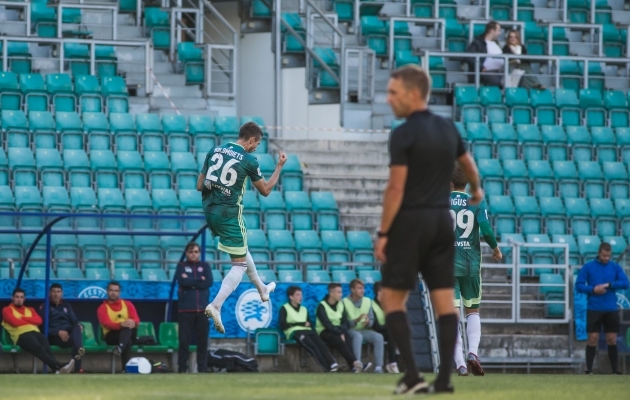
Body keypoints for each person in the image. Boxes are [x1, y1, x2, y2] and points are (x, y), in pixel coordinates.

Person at [375, 64, 483, 394]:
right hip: (440, 225)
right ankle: (446, 381)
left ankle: (412, 377)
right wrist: (476, 190)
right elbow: (468, 167)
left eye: (393, 92)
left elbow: (395, 189)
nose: (388, 99)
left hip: (411, 223)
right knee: (445, 304)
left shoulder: (403, 133)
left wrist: (383, 233)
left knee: (391, 299)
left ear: (412, 93)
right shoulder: (448, 127)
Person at [200, 122, 286, 333]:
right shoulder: (249, 159)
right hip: (230, 215)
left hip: (210, 212)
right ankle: (216, 305)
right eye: (256, 143)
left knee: (242, 250)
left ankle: (262, 289)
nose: (256, 147)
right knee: (238, 266)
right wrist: (279, 167)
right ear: (250, 140)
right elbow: (265, 190)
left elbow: (199, 186)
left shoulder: (214, 150)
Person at [450, 167, 502, 377]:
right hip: (471, 264)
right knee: (473, 311)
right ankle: (473, 353)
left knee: (451, 317)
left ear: (450, 184)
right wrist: (496, 249)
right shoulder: (477, 202)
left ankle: (461, 364)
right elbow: (486, 229)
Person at [576, 243, 629, 375]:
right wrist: (592, 289)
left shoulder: (615, 267)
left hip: (611, 308)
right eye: (604, 255)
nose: (606, 258)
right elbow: (579, 285)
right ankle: (588, 369)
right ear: (599, 253)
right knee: (593, 338)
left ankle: (615, 370)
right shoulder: (588, 267)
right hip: (594, 307)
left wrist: (610, 284)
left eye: (608, 256)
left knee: (611, 338)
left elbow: (626, 283)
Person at [1, 288, 75, 374]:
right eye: (17, 297)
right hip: (20, 335)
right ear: (12, 298)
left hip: (35, 332)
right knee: (38, 347)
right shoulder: (7, 310)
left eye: (21, 297)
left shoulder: (30, 309)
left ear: (24, 299)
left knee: (46, 346)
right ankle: (58, 365)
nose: (19, 299)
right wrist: (30, 320)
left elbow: (39, 320)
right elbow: (14, 322)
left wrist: (22, 318)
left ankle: (56, 369)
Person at [279, 286, 339, 372]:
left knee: (321, 344)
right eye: (298, 295)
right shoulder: (284, 308)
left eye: (301, 294)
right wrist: (301, 324)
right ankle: (327, 367)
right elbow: (283, 325)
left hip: (307, 331)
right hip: (295, 332)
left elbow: (309, 324)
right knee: (312, 346)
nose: (301, 297)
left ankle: (332, 363)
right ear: (291, 297)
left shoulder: (304, 309)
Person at [176, 242, 213, 373]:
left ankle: (202, 370)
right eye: (191, 252)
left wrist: (191, 280)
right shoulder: (181, 266)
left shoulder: (205, 266)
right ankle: (182, 370)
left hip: (203, 311)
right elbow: (182, 281)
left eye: (196, 252)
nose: (193, 254)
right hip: (185, 311)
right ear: (186, 253)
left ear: (199, 253)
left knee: (202, 343)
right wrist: (199, 280)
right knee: (184, 342)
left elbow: (209, 282)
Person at [316, 283, 363, 373]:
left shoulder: (341, 304)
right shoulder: (321, 306)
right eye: (339, 292)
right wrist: (339, 333)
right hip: (324, 332)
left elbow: (345, 321)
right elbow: (327, 324)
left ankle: (353, 366)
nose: (341, 294)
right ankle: (355, 362)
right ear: (331, 293)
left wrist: (341, 332)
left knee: (348, 338)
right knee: (339, 340)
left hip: (338, 330)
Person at [38, 283, 85, 373]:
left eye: (58, 292)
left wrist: (79, 325)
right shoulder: (44, 306)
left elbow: (74, 321)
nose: (56, 294)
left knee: (77, 327)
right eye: (54, 292)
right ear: (49, 293)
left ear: (61, 293)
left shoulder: (66, 305)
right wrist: (58, 332)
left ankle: (79, 350)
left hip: (68, 333)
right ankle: (78, 366)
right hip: (54, 336)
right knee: (76, 342)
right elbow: (42, 327)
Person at [343, 279, 385, 373]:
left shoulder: (367, 301)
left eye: (363, 288)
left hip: (364, 329)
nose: (363, 290)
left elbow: (372, 319)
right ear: (352, 290)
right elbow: (344, 323)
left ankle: (378, 367)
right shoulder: (344, 302)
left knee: (378, 337)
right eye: (359, 288)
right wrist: (356, 320)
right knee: (358, 336)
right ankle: (357, 366)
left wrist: (368, 322)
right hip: (350, 329)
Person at [97, 281, 140, 369]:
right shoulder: (102, 308)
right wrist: (121, 324)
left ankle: (120, 347)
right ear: (107, 291)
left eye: (116, 291)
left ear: (119, 292)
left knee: (128, 329)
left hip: (128, 333)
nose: (113, 293)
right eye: (111, 290)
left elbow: (136, 320)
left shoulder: (128, 304)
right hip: (111, 335)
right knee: (127, 340)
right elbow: (106, 324)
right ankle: (127, 369)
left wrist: (132, 323)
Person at [465, 21, 504, 87]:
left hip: (499, 72)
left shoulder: (496, 43)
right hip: (485, 73)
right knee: (498, 81)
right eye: (498, 30)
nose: (499, 33)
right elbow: (469, 57)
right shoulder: (478, 42)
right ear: (492, 31)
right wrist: (481, 68)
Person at [372, 281, 399, 373]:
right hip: (375, 329)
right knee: (392, 333)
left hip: (386, 330)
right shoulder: (372, 305)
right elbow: (375, 325)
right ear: (379, 292)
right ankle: (392, 363)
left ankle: (393, 363)